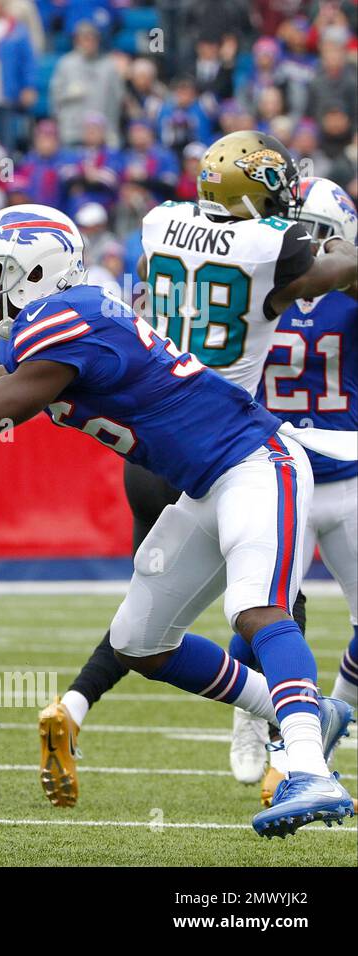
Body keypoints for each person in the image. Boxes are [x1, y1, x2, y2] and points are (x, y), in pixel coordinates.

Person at [0, 201, 358, 837]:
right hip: (205, 485)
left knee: (255, 608)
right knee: (141, 642)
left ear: (34, 269)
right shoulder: (66, 318)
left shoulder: (72, 320)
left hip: (257, 462)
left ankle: (308, 764)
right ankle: (313, 712)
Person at [39, 133, 353, 808]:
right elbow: (333, 268)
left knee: (219, 605)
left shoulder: (159, 224)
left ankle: (297, 751)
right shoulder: (272, 245)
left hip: (168, 446)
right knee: (206, 615)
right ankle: (282, 719)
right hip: (229, 444)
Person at [246, 177, 358, 803]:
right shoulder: (261, 288)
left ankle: (333, 713)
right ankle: (265, 727)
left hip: (343, 471)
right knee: (259, 615)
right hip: (282, 469)